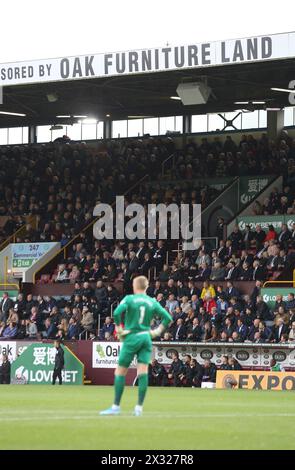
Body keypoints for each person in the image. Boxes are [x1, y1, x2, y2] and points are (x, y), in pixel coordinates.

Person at [100, 275, 172, 416]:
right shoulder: (152, 301)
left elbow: (116, 313)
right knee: (143, 372)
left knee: (120, 372)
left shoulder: (129, 299)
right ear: (146, 287)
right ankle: (138, 408)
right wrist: (156, 331)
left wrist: (119, 328)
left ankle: (116, 406)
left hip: (132, 336)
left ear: (134, 286)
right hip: (145, 337)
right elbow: (168, 318)